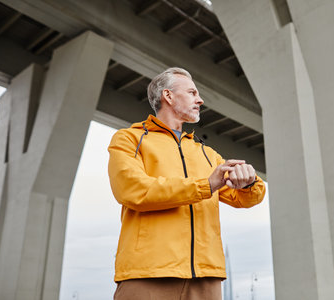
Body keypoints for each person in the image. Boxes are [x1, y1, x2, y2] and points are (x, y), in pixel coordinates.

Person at [108, 67, 266, 300]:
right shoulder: (129, 139)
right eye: (192, 92)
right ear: (168, 96)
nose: (200, 100)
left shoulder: (207, 154)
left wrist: (250, 181)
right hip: (149, 273)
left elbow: (246, 198)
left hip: (206, 277)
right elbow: (133, 190)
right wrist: (206, 185)